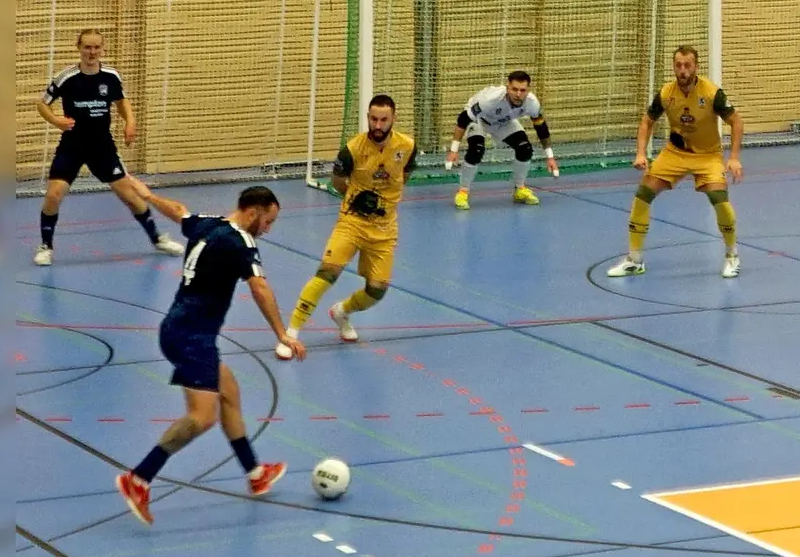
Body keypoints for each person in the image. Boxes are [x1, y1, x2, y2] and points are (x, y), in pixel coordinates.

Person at [114, 179, 305, 526]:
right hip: (192, 335)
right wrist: (283, 334)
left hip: (182, 328)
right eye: (268, 221)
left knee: (229, 392)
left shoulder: (210, 224)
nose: (268, 229)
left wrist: (148, 196)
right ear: (253, 212)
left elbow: (178, 213)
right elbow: (260, 288)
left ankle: (255, 472)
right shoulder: (240, 242)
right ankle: (138, 478)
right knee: (202, 417)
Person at [277, 94, 416, 357]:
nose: (377, 125)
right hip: (352, 222)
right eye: (373, 119)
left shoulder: (407, 146)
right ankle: (291, 333)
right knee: (327, 273)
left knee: (377, 290)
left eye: (383, 120)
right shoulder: (352, 150)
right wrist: (355, 198)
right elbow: (338, 183)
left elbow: (405, 173)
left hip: (385, 229)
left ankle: (341, 312)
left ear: (393, 119)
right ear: (367, 117)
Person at [33, 30, 183, 265]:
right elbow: (43, 105)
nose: (91, 52)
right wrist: (55, 120)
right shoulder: (66, 77)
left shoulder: (111, 76)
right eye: (87, 47)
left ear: (102, 49)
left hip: (102, 147)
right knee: (53, 195)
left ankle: (157, 239)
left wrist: (130, 122)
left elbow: (122, 101)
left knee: (130, 197)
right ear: (79, 48)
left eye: (96, 47)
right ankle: (46, 246)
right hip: (72, 147)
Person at [607, 45, 744, 279]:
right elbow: (646, 122)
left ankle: (732, 255)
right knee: (643, 195)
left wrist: (733, 158)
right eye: (678, 65)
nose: (682, 70)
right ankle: (635, 259)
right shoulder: (666, 93)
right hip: (674, 154)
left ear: (696, 67)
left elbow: (736, 122)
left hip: (707, 155)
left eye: (687, 65)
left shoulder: (712, 93)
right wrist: (641, 153)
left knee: (719, 199)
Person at [444, 70, 559, 209]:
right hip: (480, 120)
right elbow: (463, 120)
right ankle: (463, 191)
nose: (518, 94)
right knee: (477, 150)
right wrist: (454, 150)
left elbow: (541, 127)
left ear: (528, 89)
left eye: (523, 90)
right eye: (514, 89)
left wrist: (550, 157)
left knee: (525, 148)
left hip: (503, 122)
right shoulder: (490, 100)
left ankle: (519, 189)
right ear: (507, 87)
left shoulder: (532, 103)